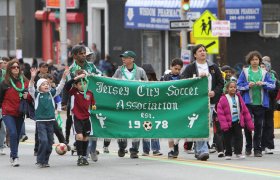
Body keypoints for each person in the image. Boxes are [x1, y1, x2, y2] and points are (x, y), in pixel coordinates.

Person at [182, 44, 224, 161]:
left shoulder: (213, 67)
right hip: (195, 102)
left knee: (205, 125)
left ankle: (201, 149)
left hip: (209, 101)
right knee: (199, 124)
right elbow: (183, 82)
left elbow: (221, 83)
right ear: (195, 54)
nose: (203, 52)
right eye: (200, 51)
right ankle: (202, 150)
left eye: (204, 51)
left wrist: (214, 92)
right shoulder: (190, 68)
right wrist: (196, 78)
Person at [237, 51, 275, 157]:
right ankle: (248, 147)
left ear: (259, 61)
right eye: (253, 59)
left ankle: (257, 149)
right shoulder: (244, 72)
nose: (255, 61)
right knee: (248, 126)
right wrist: (248, 85)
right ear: (249, 61)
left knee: (259, 126)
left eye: (257, 59)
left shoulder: (264, 72)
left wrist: (263, 83)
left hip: (261, 104)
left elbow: (272, 85)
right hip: (247, 103)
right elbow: (238, 86)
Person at [29, 67, 68, 168]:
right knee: (44, 141)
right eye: (43, 84)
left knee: (50, 142)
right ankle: (39, 160)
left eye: (47, 84)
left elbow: (60, 88)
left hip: (51, 121)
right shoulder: (36, 95)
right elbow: (30, 89)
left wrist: (63, 77)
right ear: (39, 87)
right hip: (41, 122)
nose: (46, 85)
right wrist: (32, 78)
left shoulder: (51, 94)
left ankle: (45, 161)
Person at [113, 50, 148, 159]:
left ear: (132, 59)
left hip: (136, 103)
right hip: (122, 103)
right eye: (122, 57)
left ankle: (134, 150)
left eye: (126, 57)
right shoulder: (119, 71)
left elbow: (147, 85)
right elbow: (112, 83)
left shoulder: (140, 71)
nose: (123, 59)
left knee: (136, 126)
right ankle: (122, 146)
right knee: (122, 126)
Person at [0, 59, 30, 167]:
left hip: (20, 112)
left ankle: (13, 154)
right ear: (9, 69)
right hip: (7, 112)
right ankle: (14, 156)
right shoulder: (4, 82)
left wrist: (28, 96)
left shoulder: (25, 81)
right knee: (12, 133)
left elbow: (31, 93)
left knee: (16, 135)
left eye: (17, 67)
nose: (16, 68)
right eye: (13, 67)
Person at [65, 70, 96, 166]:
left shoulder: (90, 93)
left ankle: (84, 156)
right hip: (77, 117)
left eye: (85, 83)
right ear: (76, 85)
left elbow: (93, 104)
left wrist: (94, 107)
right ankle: (79, 157)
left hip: (87, 118)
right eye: (80, 84)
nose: (83, 85)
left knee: (86, 138)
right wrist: (77, 78)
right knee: (79, 136)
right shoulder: (74, 92)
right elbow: (67, 86)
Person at [217, 80, 254, 160]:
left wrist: (250, 124)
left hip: (237, 121)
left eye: (234, 87)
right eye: (231, 87)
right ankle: (228, 153)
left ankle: (238, 152)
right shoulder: (223, 98)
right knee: (227, 139)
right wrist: (224, 125)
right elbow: (220, 113)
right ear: (227, 89)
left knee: (239, 137)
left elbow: (245, 111)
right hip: (227, 123)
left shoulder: (239, 98)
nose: (233, 89)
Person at [160, 58, 184, 158]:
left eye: (179, 69)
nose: (177, 71)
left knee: (178, 129)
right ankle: (170, 150)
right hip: (168, 106)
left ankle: (176, 144)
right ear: (171, 67)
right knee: (169, 129)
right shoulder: (165, 78)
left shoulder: (183, 78)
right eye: (175, 69)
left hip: (179, 106)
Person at [141, 63, 163, 156]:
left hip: (154, 109)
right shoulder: (138, 83)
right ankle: (146, 150)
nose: (148, 77)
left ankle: (155, 149)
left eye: (149, 75)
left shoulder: (156, 83)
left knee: (154, 129)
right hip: (143, 109)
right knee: (145, 128)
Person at [260, 56, 279, 154]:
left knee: (269, 124)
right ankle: (260, 145)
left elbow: (275, 89)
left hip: (270, 103)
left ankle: (268, 145)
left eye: (267, 61)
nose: (266, 64)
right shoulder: (258, 74)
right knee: (260, 124)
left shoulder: (273, 74)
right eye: (263, 62)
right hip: (259, 103)